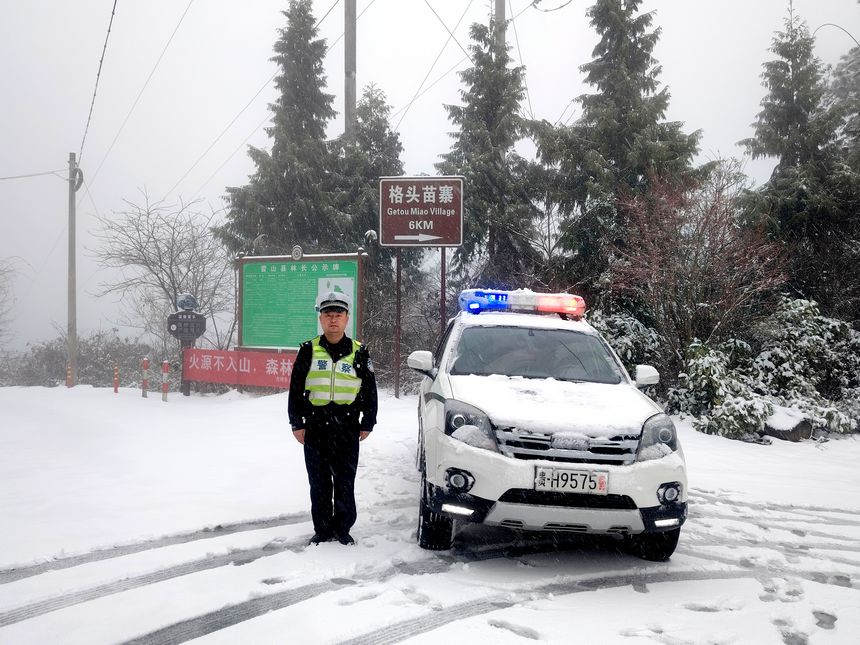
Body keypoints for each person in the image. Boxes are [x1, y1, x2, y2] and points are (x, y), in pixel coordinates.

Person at [288, 291, 378, 546]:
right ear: (321, 319)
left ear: (347, 318)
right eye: (328, 314)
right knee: (318, 483)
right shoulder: (308, 350)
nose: (333, 319)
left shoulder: (360, 351)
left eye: (338, 314)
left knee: (344, 481)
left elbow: (369, 390)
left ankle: (343, 528)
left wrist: (368, 421)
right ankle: (323, 529)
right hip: (315, 426)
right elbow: (295, 389)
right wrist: (297, 423)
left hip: (347, 425)